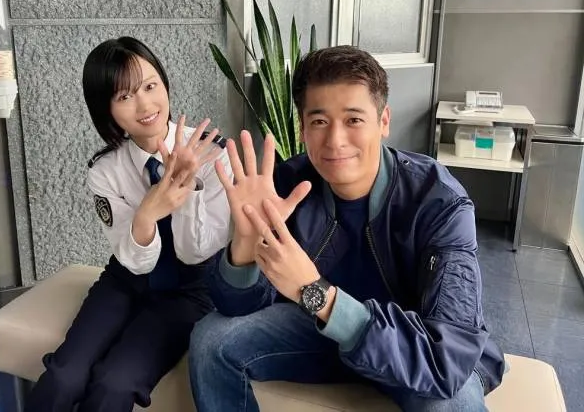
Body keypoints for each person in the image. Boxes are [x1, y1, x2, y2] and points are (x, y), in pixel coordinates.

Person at [188, 45, 505, 412]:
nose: (335, 141)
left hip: (409, 346)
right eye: (319, 122)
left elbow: (445, 359)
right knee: (212, 340)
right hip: (321, 334)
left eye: (353, 120)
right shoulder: (288, 184)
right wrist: (245, 244)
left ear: (383, 121)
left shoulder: (438, 201)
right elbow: (235, 306)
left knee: (453, 404)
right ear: (302, 128)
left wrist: (315, 292)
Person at [25, 36, 232, 412]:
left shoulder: (213, 154)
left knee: (115, 383)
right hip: (125, 281)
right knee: (64, 376)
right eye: (124, 96)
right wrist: (148, 213)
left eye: (150, 86)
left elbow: (195, 252)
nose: (145, 105)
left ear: (164, 84)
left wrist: (184, 189)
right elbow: (134, 261)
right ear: (106, 110)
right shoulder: (105, 170)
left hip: (190, 291)